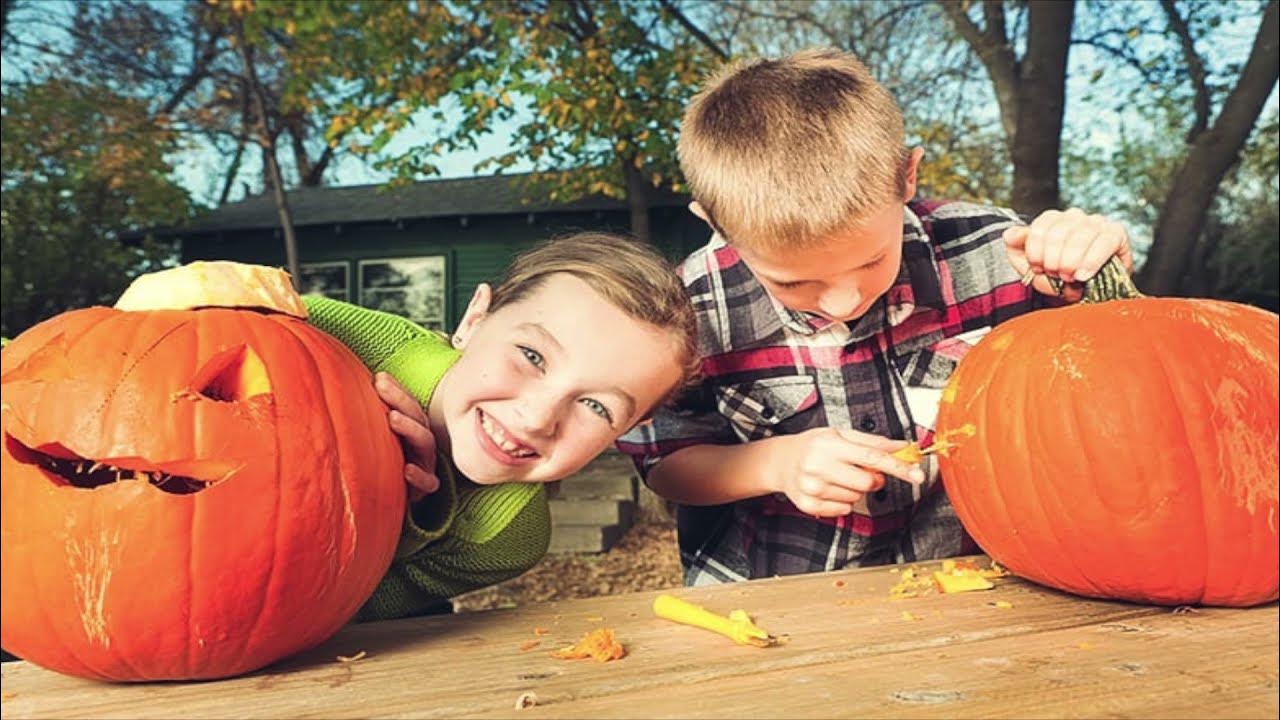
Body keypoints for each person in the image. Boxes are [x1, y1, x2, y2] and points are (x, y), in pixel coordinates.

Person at [617, 48, 1134, 586]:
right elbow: (665, 461)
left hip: (971, 578)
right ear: (714, 220)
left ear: (907, 176)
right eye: (792, 282)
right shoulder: (689, 306)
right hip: (776, 592)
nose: (844, 303)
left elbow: (1120, 379)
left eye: (870, 261)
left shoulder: (999, 254)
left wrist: (1092, 271)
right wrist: (775, 464)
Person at [307, 232, 698, 620]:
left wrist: (408, 517)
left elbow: (318, 616)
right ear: (475, 319)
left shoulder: (508, 538)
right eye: (532, 356)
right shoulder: (331, 333)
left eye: (596, 406)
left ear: (629, 427)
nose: (537, 419)